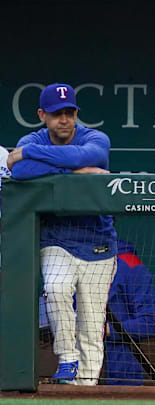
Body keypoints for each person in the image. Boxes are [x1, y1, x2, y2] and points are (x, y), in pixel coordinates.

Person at [8, 83, 117, 385]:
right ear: (43, 115)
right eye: (57, 114)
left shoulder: (95, 136)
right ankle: (67, 356)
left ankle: (85, 388)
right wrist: (75, 173)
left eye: (69, 112)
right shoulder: (33, 138)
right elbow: (19, 171)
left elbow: (91, 154)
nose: (64, 119)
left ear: (76, 113)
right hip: (56, 239)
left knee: (92, 328)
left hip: (98, 242)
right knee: (55, 288)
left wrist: (31, 155)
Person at [104, 240, 155, 385]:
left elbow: (153, 324)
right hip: (75, 372)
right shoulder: (62, 262)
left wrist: (106, 329)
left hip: (121, 378)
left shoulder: (128, 264)